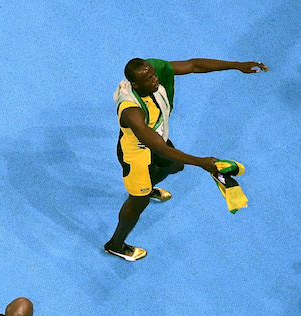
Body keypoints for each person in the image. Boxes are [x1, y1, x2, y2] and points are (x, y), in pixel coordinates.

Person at [104, 58, 268, 261]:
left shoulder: (152, 72)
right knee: (139, 202)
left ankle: (147, 186)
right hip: (137, 155)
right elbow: (159, 148)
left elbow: (193, 65)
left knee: (175, 166)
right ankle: (115, 244)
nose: (155, 80)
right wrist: (202, 162)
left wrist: (236, 65)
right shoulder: (131, 110)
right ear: (135, 84)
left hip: (157, 139)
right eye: (148, 79)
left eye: (154, 74)